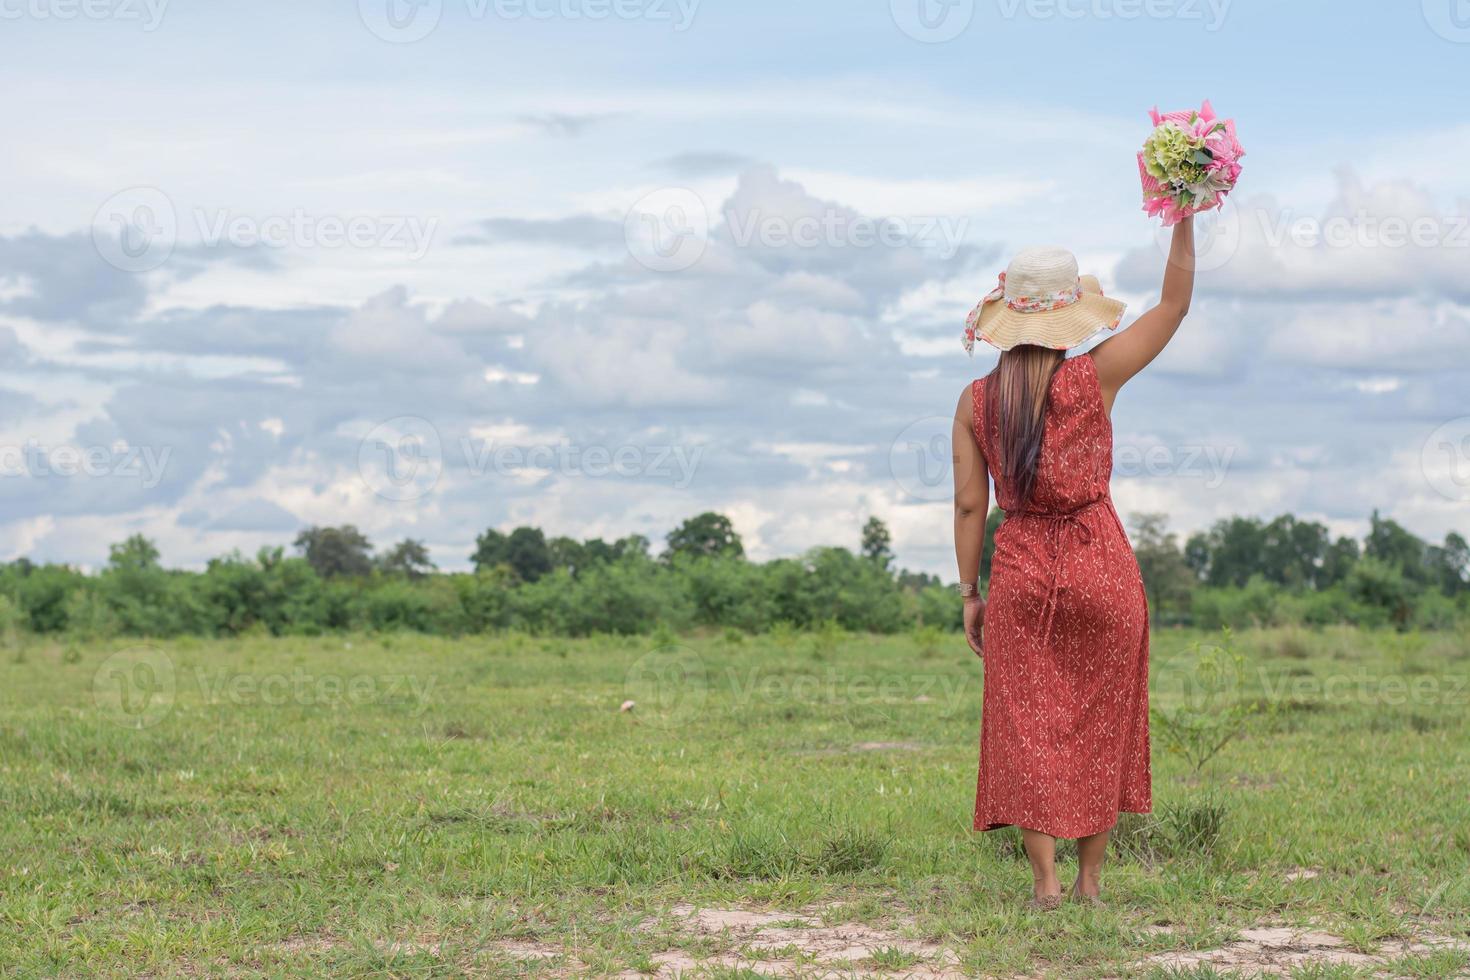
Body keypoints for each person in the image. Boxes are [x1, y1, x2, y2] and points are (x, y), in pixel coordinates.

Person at [951, 220, 1195, 910]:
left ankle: (1046, 884)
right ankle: (1090, 882)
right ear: (1068, 317)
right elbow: (1173, 306)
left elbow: (970, 509)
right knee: (1101, 721)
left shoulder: (975, 403)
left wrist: (971, 592)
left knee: (1027, 727)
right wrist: (1185, 218)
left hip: (1023, 572)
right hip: (1102, 566)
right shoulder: (1095, 378)